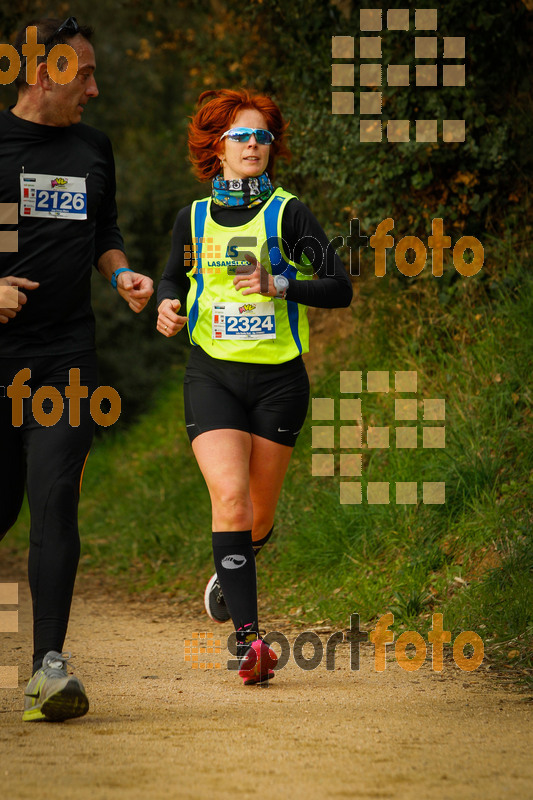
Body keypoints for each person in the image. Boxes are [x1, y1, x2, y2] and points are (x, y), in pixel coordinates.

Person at [157, 88, 352, 685]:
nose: (253, 145)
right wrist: (167, 305)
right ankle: (250, 642)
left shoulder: (289, 213)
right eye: (241, 135)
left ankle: (235, 562)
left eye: (263, 136)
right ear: (215, 146)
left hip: (279, 383)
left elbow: (341, 287)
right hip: (211, 373)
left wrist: (281, 287)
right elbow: (172, 277)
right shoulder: (193, 217)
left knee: (258, 518)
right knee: (232, 500)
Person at [0, 17, 153, 721]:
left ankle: (48, 669)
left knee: (56, 498)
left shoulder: (92, 149)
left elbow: (107, 228)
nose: (95, 88)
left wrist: (120, 272)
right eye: (83, 74)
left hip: (64, 359)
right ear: (43, 74)